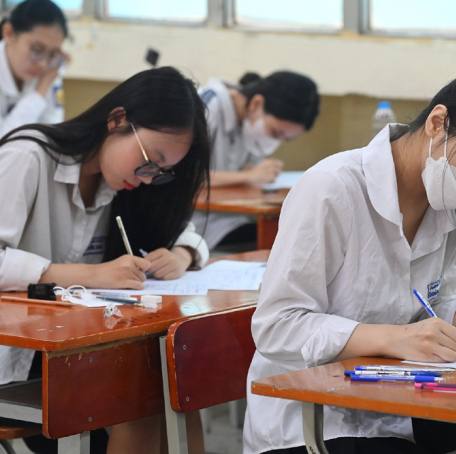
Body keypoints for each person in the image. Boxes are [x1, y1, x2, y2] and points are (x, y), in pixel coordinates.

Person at [243, 60, 456, 454]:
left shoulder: (448, 201)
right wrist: (395, 338)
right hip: (311, 420)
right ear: (438, 123)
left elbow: (437, 301)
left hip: (398, 405)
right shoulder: (332, 188)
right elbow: (276, 327)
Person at [0, 66, 210, 454]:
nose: (150, 178)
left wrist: (183, 253)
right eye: (152, 160)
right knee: (141, 392)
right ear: (118, 120)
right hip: (19, 353)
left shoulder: (122, 183)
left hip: (78, 346)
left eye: (163, 173)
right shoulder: (28, 158)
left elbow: (186, 230)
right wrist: (91, 275)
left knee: (176, 387)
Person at [191, 70, 320, 249]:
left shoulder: (249, 126)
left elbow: (247, 169)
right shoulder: (206, 107)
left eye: (286, 139)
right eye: (275, 133)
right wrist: (249, 176)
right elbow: (182, 177)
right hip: (191, 225)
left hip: (231, 218)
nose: (276, 142)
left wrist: (254, 173)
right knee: (281, 244)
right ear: (257, 104)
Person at [0, 0, 69, 137]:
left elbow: (52, 131)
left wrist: (47, 81)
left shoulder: (51, 69)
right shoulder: (47, 73)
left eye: (52, 54)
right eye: (37, 50)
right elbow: (4, 140)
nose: (43, 64)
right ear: (8, 33)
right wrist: (40, 91)